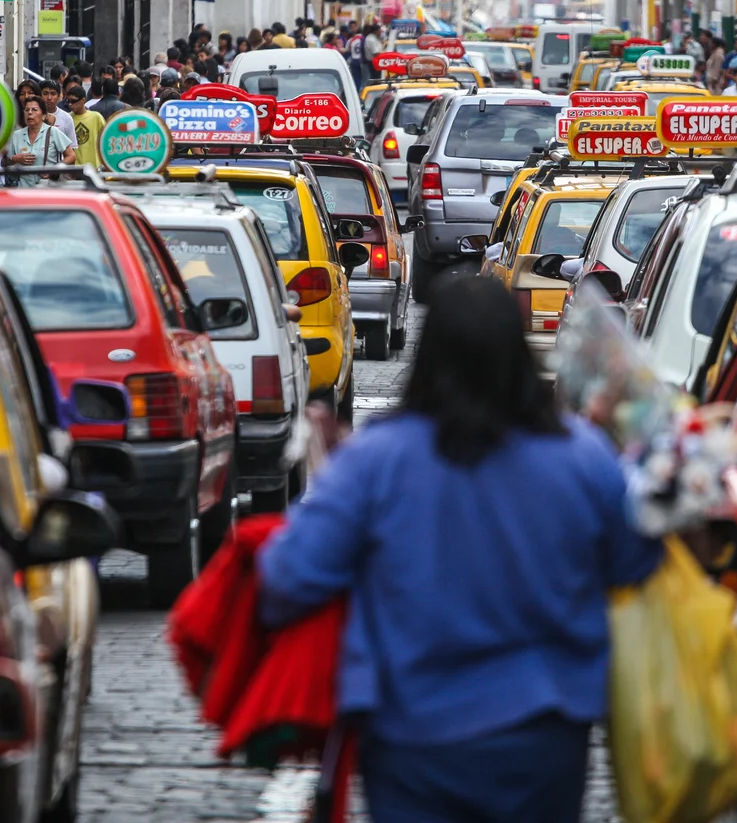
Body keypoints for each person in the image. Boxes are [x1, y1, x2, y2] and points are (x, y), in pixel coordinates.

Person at [257, 277, 663, 823]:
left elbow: (288, 577)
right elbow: (636, 562)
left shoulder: (374, 462)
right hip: (544, 738)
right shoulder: (583, 458)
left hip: (411, 738)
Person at [3, 95, 74, 187]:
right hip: (23, 188)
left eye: (34, 110)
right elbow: (4, 162)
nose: (30, 113)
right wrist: (15, 159)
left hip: (46, 188)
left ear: (44, 115)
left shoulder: (52, 132)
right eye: (27, 110)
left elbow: (71, 155)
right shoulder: (16, 135)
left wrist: (55, 169)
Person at [64, 81, 105, 166]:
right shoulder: (67, 118)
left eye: (73, 101)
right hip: (74, 169)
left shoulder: (96, 117)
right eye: (68, 101)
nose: (70, 104)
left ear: (83, 100)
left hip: (95, 167)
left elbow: (105, 141)